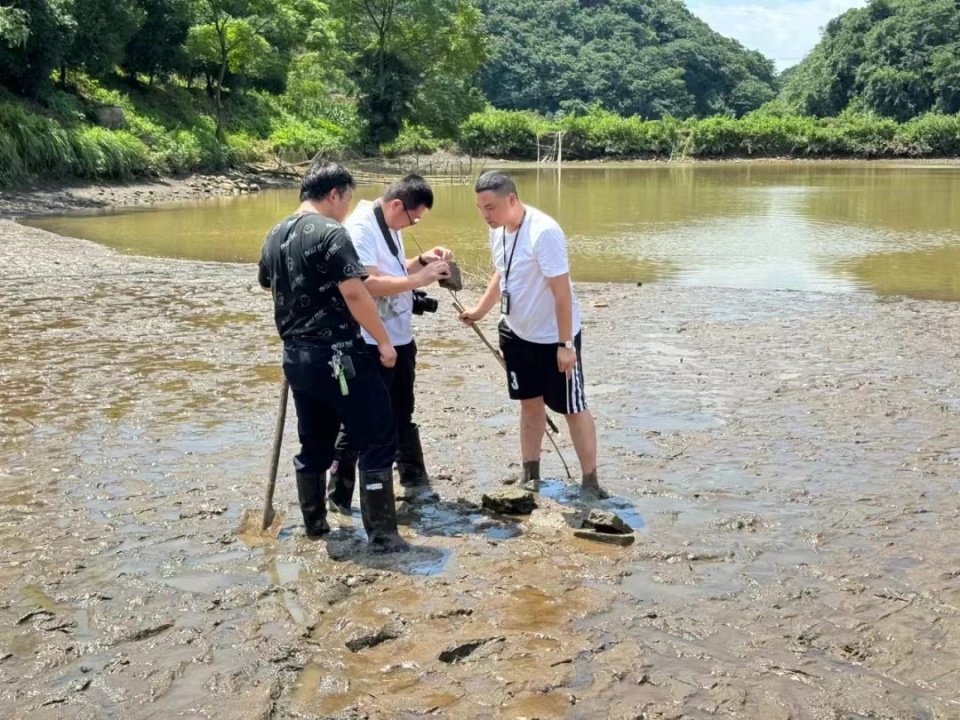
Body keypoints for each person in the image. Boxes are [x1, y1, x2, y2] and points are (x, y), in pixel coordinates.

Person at [257, 159, 408, 552]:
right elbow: (355, 292)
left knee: (315, 443)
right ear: (334, 194)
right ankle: (383, 535)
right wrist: (385, 341)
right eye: (347, 199)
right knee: (377, 436)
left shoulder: (274, 233)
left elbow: (266, 282)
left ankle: (315, 524)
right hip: (339, 354)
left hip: (296, 358)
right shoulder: (331, 232)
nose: (347, 208)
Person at [459, 170, 609, 500]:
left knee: (572, 406)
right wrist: (481, 310)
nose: (486, 215)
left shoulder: (544, 233)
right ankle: (531, 473)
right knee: (529, 403)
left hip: (552, 338)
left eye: (491, 208)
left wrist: (566, 344)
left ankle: (590, 481)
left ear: (511, 199)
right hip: (516, 334)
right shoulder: (497, 231)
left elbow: (561, 293)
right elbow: (503, 272)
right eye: (480, 208)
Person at [326, 174, 453, 514]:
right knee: (360, 420)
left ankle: (413, 481)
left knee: (402, 410)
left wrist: (421, 262)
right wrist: (417, 279)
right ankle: (339, 495)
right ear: (397, 204)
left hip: (399, 335)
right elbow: (366, 284)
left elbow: (393, 271)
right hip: (370, 338)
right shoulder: (361, 228)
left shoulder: (390, 224)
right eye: (414, 218)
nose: (413, 224)